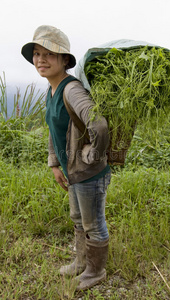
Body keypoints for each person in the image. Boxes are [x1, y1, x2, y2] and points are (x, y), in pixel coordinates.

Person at [21, 25, 111, 291]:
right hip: (73, 170)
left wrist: (93, 156)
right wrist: (54, 163)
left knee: (93, 223)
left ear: (64, 60)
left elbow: (100, 126)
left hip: (89, 173)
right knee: (77, 218)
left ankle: (96, 271)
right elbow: (54, 128)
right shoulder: (51, 90)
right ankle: (82, 261)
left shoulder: (71, 90)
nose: (41, 59)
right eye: (37, 53)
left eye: (49, 53)